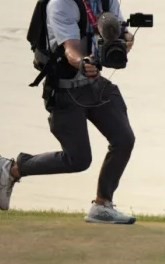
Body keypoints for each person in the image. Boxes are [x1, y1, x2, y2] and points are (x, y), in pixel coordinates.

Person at [0, 0, 137, 224]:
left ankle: (102, 206)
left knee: (124, 139)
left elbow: (119, 30)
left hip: (94, 84)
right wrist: (82, 62)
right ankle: (13, 168)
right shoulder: (61, 4)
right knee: (78, 159)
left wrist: (126, 39)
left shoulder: (107, 0)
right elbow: (71, 50)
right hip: (64, 91)